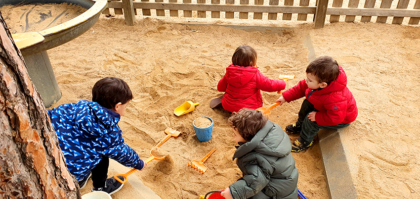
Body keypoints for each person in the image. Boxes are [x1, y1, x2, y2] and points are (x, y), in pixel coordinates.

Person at [48, 77, 145, 194]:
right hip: (70, 177)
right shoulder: (109, 132)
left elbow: (50, 115)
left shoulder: (73, 107)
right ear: (117, 106)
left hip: (50, 162)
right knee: (103, 155)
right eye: (125, 106)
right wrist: (138, 163)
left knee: (88, 146)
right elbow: (122, 153)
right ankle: (100, 188)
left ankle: (83, 178)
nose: (125, 109)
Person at [276, 56, 358, 153]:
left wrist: (318, 117)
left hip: (341, 118)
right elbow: (301, 88)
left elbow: (336, 117)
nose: (306, 81)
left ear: (323, 85)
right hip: (327, 108)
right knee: (307, 102)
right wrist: (286, 97)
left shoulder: (335, 98)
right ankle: (301, 125)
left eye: (309, 80)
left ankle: (305, 140)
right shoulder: (316, 83)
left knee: (311, 120)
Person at [220, 108, 298, 199]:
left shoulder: (257, 158)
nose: (233, 135)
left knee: (252, 195)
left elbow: (256, 182)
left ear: (248, 137)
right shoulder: (271, 135)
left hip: (277, 194)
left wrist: (233, 192)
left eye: (235, 134)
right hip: (285, 183)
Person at [211, 45, 286, 112]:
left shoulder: (229, 72)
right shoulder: (255, 74)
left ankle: (230, 106)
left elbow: (220, 88)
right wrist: (282, 84)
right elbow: (269, 85)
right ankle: (240, 113)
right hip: (249, 109)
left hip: (228, 106)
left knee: (227, 97)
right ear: (252, 63)